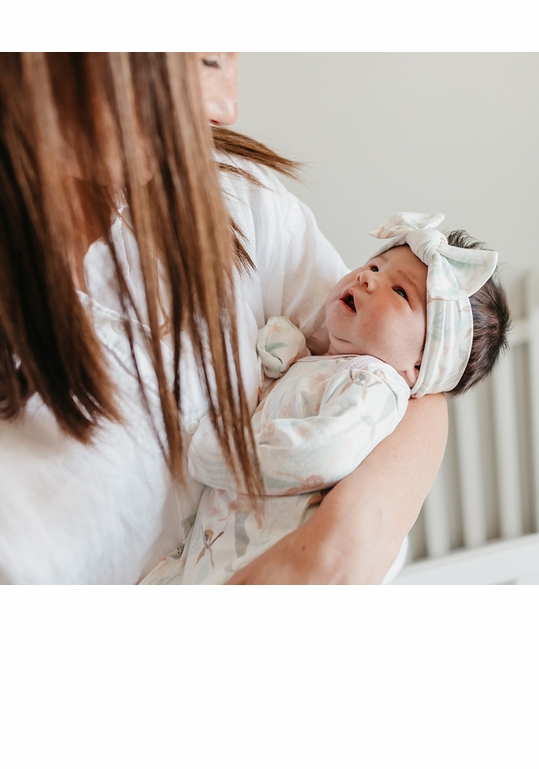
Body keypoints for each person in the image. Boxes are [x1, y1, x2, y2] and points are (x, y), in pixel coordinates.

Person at [0, 53, 448, 584]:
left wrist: (346, 541)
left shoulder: (234, 195)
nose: (226, 107)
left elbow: (414, 376)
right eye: (206, 60)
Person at [141, 213, 510, 584]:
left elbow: (321, 452)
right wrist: (286, 356)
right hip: (210, 551)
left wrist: (217, 453)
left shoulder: (375, 386)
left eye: (400, 292)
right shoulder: (331, 368)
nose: (368, 277)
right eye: (376, 265)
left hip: (265, 558)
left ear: (419, 365)